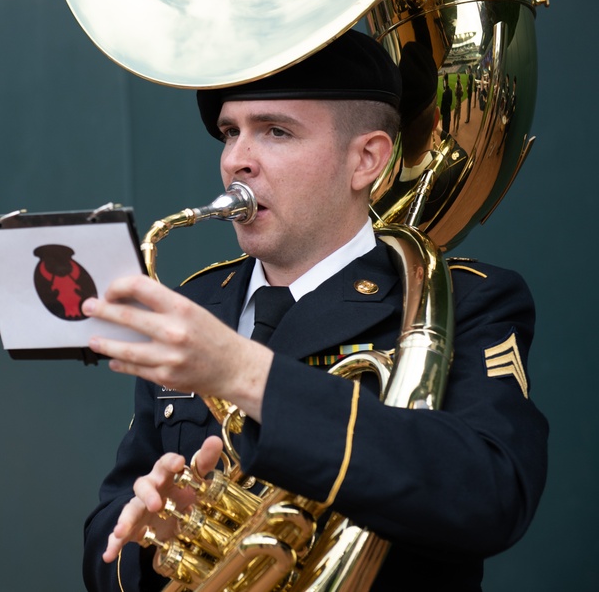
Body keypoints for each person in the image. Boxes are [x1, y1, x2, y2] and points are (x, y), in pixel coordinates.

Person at [80, 31, 548, 592]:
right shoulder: (197, 305)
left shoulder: (459, 298)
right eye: (231, 133)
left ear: (366, 159)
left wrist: (243, 373)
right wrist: (155, 539)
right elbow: (100, 548)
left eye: (275, 132)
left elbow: (490, 494)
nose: (237, 161)